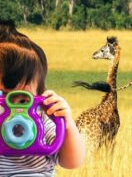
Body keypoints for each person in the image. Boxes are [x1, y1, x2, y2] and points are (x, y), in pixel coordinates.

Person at [0, 24, 85, 176]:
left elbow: (72, 162)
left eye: (23, 100)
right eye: (2, 95)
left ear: (40, 95)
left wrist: (67, 125)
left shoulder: (42, 121)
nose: (13, 109)